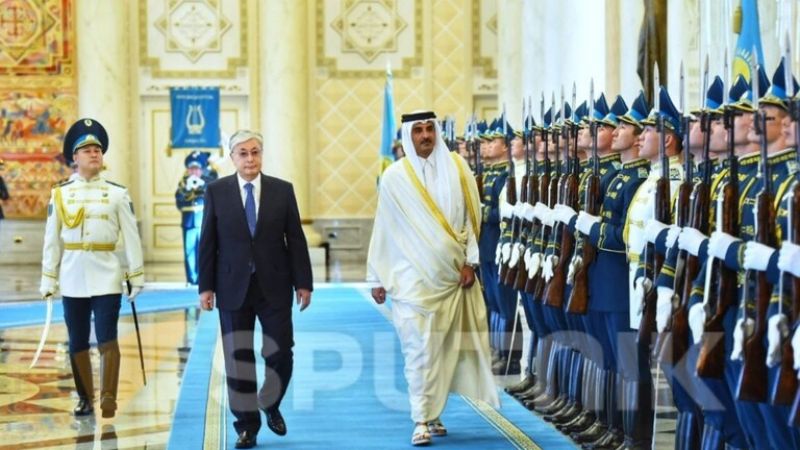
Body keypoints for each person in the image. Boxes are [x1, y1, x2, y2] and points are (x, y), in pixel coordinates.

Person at [366, 111, 499, 446]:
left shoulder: (458, 167)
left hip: (452, 276)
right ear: (408, 136)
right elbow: (384, 227)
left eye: (429, 129)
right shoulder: (395, 177)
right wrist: (376, 276)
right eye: (418, 131)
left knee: (441, 349)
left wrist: (470, 262)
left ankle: (433, 411)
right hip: (410, 278)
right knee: (418, 349)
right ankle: (421, 418)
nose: (425, 135)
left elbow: (471, 219)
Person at [198, 129, 313, 450]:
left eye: (255, 152)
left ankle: (269, 401)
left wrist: (304, 282)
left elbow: (296, 239)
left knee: (281, 351)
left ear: (261, 154)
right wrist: (205, 287)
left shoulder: (282, 190)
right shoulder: (216, 191)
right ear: (232, 157)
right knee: (238, 357)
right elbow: (208, 241)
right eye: (243, 153)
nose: (250, 159)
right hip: (231, 285)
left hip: (274, 284)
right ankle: (246, 426)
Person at [39, 118, 145, 419]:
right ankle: (85, 398)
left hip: (107, 274)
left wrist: (136, 274)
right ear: (75, 157)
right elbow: (51, 239)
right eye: (87, 150)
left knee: (107, 336)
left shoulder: (117, 193)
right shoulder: (60, 194)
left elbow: (131, 237)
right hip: (73, 275)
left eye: (97, 149)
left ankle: (108, 397)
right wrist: (48, 277)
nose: (94, 154)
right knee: (77, 340)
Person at [175, 151, 214, 285]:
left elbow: (214, 201)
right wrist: (187, 189)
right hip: (189, 222)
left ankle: (205, 279)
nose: (194, 171)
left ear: (202, 170)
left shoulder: (208, 183)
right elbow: (179, 203)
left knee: (205, 251)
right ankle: (192, 279)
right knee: (189, 252)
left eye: (197, 169)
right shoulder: (183, 184)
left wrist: (202, 186)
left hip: (204, 222)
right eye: (191, 169)